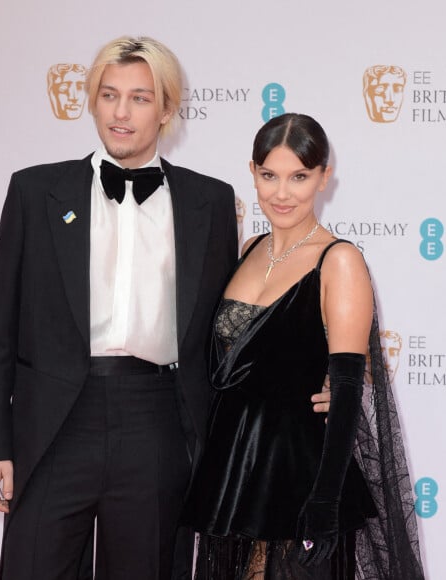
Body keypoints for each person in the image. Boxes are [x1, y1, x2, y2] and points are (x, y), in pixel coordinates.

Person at [0, 36, 239, 580]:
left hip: (157, 421)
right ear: (92, 101)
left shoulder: (209, 202)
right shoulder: (34, 191)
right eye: (109, 95)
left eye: (140, 98)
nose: (121, 112)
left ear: (166, 109)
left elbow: (225, 333)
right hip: (52, 422)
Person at [183, 113, 424, 579]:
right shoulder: (248, 248)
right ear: (252, 172)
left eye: (299, 177)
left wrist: (326, 502)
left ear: (323, 179)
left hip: (300, 478)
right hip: (232, 475)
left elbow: (350, 388)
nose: (282, 193)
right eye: (269, 175)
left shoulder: (341, 260)